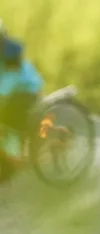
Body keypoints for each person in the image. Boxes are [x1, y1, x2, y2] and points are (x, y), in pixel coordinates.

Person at [0, 20, 43, 182]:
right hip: (12, 93)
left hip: (26, 94)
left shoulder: (11, 54)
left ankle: (15, 157)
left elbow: (7, 85)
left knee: (6, 123)